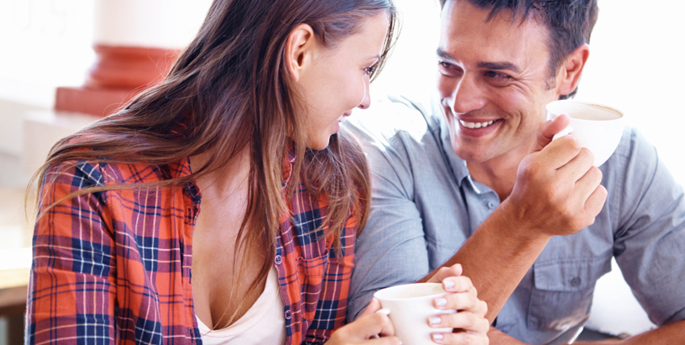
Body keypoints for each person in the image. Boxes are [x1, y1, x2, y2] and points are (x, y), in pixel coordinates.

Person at [25, 0, 491, 344]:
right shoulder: (95, 184)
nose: (365, 97)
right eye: (365, 67)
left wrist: (440, 328)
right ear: (300, 51)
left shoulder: (330, 187)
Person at [345, 0, 685, 344]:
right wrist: (522, 222)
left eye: (497, 75)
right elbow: (387, 335)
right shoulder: (385, 150)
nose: (461, 103)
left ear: (570, 70)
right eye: (448, 65)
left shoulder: (622, 162)